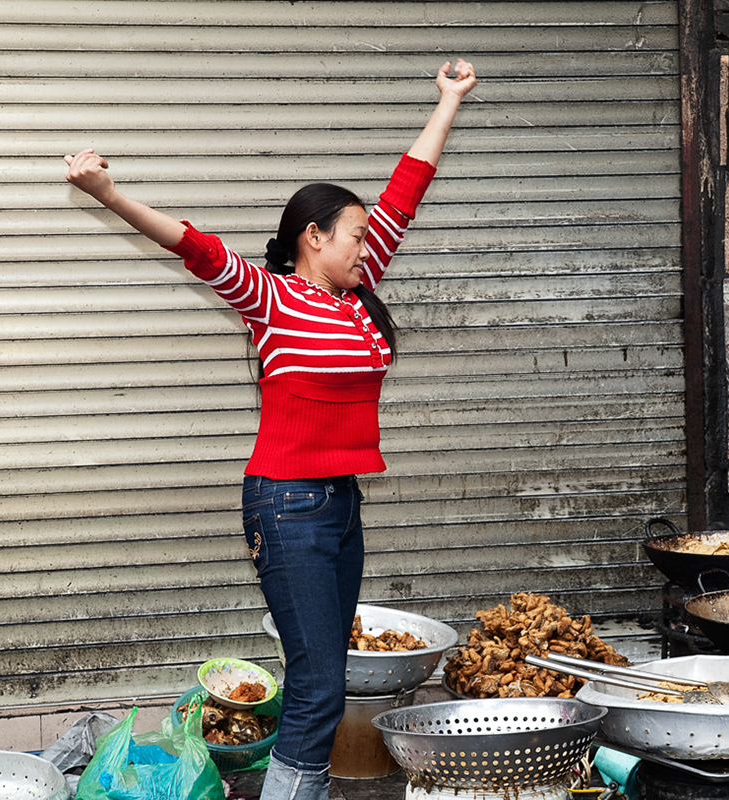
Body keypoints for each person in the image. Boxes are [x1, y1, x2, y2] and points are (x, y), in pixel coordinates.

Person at [65, 59, 477, 800]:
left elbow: (406, 188)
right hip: (287, 507)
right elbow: (195, 247)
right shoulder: (273, 299)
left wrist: (447, 100)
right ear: (313, 237)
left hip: (339, 501)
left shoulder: (358, 290)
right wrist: (109, 193)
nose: (365, 245)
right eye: (352, 235)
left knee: (324, 677)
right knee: (319, 686)